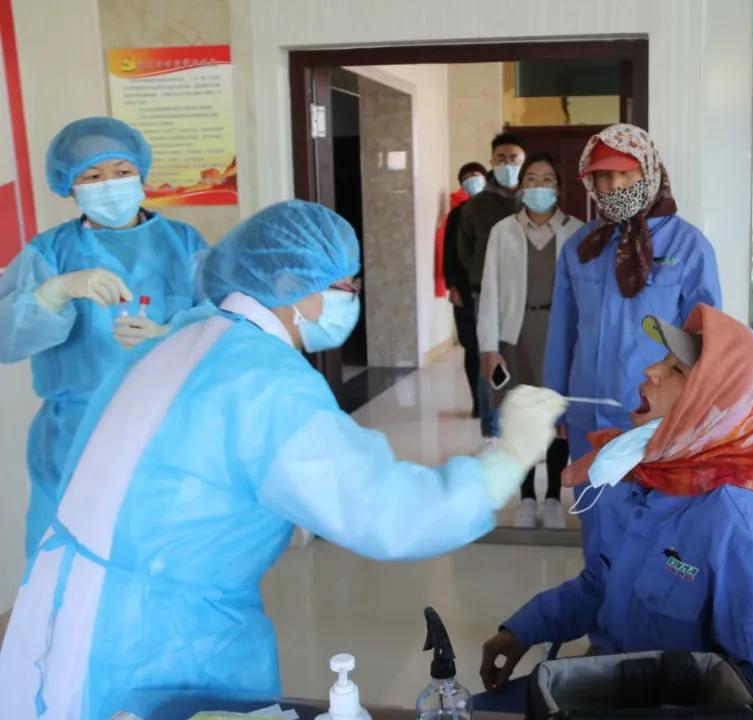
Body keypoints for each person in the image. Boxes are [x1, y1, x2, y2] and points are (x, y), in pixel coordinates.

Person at [0, 200, 568, 719]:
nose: (350, 299)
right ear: (287, 281)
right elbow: (388, 512)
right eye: (342, 285)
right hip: (159, 641)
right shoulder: (264, 381)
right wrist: (509, 456)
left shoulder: (175, 339)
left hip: (63, 607)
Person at [479, 305, 753, 720]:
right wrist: (521, 630)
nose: (651, 370)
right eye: (662, 360)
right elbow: (601, 585)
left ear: (715, 407)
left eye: (676, 370)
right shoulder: (644, 483)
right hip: (608, 686)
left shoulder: (740, 534)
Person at [0, 116, 207, 558]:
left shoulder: (184, 243)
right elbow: (6, 338)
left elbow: (220, 324)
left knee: (161, 551)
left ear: (141, 175)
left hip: (165, 425)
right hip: (76, 433)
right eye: (92, 176)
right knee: (69, 557)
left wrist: (170, 335)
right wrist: (55, 292)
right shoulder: (49, 251)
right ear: (69, 187)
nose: (110, 184)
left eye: (121, 171)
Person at [544, 123, 722, 549]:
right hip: (588, 412)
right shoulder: (581, 247)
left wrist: (699, 412)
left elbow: (708, 339)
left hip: (653, 416)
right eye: (603, 175)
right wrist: (556, 403)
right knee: (596, 520)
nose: (614, 185)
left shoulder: (689, 246)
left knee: (649, 525)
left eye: (625, 173)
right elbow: (562, 330)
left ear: (649, 171)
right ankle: (599, 588)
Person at [478, 153, 584, 529]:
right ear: (521, 187)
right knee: (518, 414)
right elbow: (490, 290)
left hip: (561, 336)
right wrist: (489, 347)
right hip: (515, 335)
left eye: (547, 179)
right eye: (532, 179)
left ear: (559, 187)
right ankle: (525, 497)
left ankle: (553, 496)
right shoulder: (503, 231)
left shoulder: (577, 231)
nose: (540, 186)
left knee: (556, 414)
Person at [457, 132, 527, 443]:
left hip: (529, 293)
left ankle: (524, 424)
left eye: (514, 158)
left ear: (523, 162)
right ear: (491, 161)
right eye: (501, 158)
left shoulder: (534, 200)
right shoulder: (476, 206)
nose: (507, 164)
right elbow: (465, 250)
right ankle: (492, 430)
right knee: (490, 358)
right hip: (486, 293)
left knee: (527, 358)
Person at [441, 161, 488, 418]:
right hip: (464, 290)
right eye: (467, 177)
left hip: (493, 288)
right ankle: (478, 401)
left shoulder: (497, 211)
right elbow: (448, 253)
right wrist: (452, 286)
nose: (472, 179)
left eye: (476, 175)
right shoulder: (456, 215)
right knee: (472, 346)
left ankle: (496, 400)